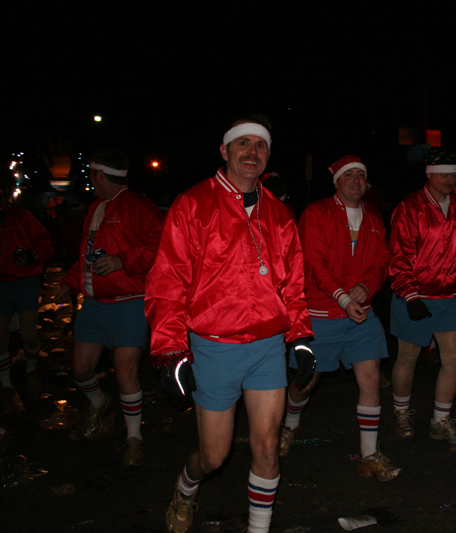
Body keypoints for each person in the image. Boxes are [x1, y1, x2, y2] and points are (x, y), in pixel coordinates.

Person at [145, 114, 316, 533]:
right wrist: (171, 351)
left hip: (267, 346)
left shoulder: (279, 213)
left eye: (261, 145)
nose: (252, 152)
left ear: (268, 155)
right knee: (213, 457)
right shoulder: (193, 205)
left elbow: (292, 284)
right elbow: (168, 281)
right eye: (243, 143)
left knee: (267, 446)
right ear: (224, 151)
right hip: (214, 347)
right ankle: (186, 489)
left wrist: (300, 336)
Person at [279, 155, 400, 481]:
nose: (356, 180)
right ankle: (290, 425)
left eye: (361, 174)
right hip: (321, 314)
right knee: (305, 384)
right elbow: (314, 262)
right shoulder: (317, 213)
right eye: (349, 175)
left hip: (361, 315)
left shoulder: (373, 216)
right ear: (336, 181)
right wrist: (343, 297)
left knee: (371, 381)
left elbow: (382, 260)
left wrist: (367, 286)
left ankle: (369, 455)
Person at [53, 150, 162, 465]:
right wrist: (70, 282)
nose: (89, 180)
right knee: (81, 369)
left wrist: (122, 260)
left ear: (99, 175)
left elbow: (160, 245)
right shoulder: (95, 208)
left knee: (125, 372)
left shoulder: (138, 206)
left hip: (129, 303)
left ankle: (133, 438)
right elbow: (86, 255)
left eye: (91, 174)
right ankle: (100, 403)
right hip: (94, 304)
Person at [388, 148, 456, 445]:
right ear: (429, 175)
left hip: (450, 297)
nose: (449, 180)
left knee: (452, 360)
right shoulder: (410, 206)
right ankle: (401, 413)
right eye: (443, 175)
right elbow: (399, 254)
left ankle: (440, 421)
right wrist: (410, 295)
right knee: (407, 359)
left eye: (453, 175)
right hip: (417, 297)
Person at [0, 172, 53, 412]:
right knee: (1, 338)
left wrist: (33, 256)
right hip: (1, 285)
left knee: (29, 336)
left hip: (24, 282)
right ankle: (6, 385)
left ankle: (31, 369)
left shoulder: (22, 217)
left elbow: (45, 244)